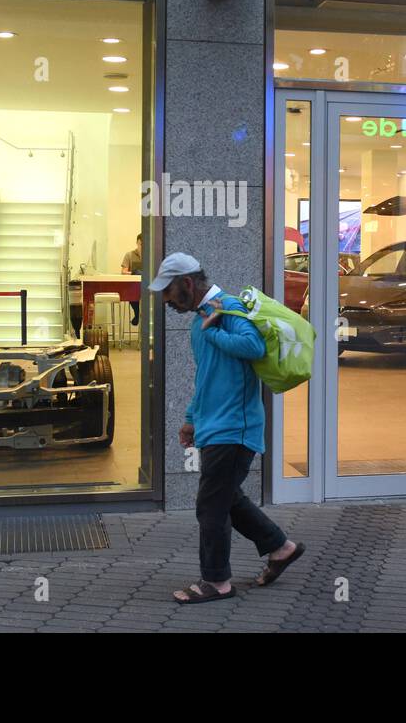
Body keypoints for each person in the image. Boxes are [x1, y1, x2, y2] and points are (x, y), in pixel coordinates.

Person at [149, 252, 305, 604]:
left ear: (187, 283)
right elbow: (205, 377)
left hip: (235, 427)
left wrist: (216, 331)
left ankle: (217, 582)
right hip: (214, 424)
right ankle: (281, 548)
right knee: (227, 497)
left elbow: (254, 346)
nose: (166, 301)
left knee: (210, 505)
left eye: (169, 292)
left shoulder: (228, 308)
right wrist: (191, 417)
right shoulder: (200, 320)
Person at [120, 234, 143, 326]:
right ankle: (137, 314)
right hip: (134, 287)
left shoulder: (151, 256)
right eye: (140, 244)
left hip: (146, 287)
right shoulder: (129, 255)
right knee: (133, 291)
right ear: (137, 243)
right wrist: (134, 272)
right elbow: (123, 271)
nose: (142, 247)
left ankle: (140, 314)